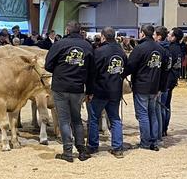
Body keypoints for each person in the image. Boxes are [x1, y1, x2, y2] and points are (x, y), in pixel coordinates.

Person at [44, 21, 94, 163]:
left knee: (64, 120)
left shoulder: (59, 44)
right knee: (77, 119)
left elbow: (48, 65)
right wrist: (90, 90)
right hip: (78, 87)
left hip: (60, 87)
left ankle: (67, 152)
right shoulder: (87, 46)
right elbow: (92, 71)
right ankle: (82, 150)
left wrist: (61, 69)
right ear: (80, 31)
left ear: (67, 30)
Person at [124, 25, 168, 151]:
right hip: (155, 87)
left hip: (141, 86)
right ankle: (154, 141)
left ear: (143, 34)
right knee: (152, 113)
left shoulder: (139, 49)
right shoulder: (160, 49)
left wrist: (121, 75)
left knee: (143, 115)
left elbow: (131, 66)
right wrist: (161, 87)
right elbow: (165, 70)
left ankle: (145, 142)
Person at [87, 27, 127, 158]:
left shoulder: (98, 51)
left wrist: (89, 91)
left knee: (93, 118)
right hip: (115, 90)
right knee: (115, 119)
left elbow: (92, 73)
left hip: (100, 90)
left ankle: (93, 146)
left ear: (103, 37)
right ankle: (117, 148)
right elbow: (125, 70)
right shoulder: (121, 52)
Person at [163, 27, 183, 136]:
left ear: (174, 37)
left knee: (164, 104)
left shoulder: (171, 49)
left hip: (168, 78)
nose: (168, 36)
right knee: (167, 104)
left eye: (170, 34)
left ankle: (163, 128)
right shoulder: (179, 48)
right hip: (173, 78)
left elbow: (168, 65)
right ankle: (164, 128)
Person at [152, 26, 171, 144]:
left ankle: (157, 137)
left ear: (159, 36)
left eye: (154, 35)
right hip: (165, 83)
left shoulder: (159, 49)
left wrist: (159, 87)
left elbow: (161, 70)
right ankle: (159, 134)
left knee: (157, 110)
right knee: (160, 109)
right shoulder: (168, 49)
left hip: (159, 84)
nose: (153, 37)